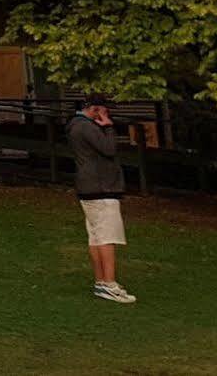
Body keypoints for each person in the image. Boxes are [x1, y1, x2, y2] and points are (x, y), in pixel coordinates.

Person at [68, 93, 135, 302]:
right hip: (100, 187)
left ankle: (101, 281)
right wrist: (108, 127)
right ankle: (109, 282)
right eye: (105, 111)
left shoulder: (76, 125)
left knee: (96, 236)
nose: (108, 115)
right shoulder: (86, 126)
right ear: (96, 109)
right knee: (107, 236)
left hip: (90, 187)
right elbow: (109, 148)